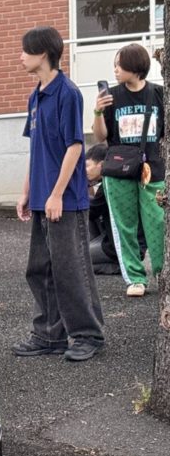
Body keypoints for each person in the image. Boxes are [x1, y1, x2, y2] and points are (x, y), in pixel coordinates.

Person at [13, 26, 104, 362]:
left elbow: (75, 147)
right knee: (40, 269)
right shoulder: (35, 97)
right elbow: (35, 149)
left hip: (65, 200)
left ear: (43, 54)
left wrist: (56, 194)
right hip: (41, 198)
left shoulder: (68, 93)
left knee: (71, 269)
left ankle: (88, 335)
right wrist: (26, 191)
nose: (20, 57)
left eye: (25, 51)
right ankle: (49, 335)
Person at [92, 43, 165, 297]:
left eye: (119, 64)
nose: (115, 69)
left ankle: (163, 274)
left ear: (134, 66)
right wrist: (98, 111)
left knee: (158, 222)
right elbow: (100, 136)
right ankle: (135, 278)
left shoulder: (158, 94)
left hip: (152, 169)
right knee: (125, 226)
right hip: (119, 170)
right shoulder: (112, 96)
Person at [84, 143, 147, 275]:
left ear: (101, 165)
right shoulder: (112, 180)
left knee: (79, 258)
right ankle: (111, 259)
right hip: (119, 241)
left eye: (87, 166)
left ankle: (118, 266)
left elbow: (90, 210)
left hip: (119, 246)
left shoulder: (109, 184)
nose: (85, 170)